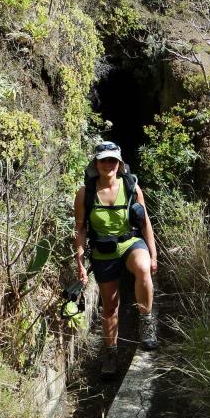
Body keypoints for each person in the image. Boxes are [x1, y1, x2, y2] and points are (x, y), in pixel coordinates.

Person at [73, 141, 159, 380]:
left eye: (113, 160)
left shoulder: (131, 186)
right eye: (103, 160)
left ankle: (146, 322)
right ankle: (110, 353)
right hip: (103, 251)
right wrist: (79, 260)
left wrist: (153, 254)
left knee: (142, 268)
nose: (108, 165)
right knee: (110, 306)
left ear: (120, 164)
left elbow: (144, 222)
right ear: (96, 163)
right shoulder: (85, 193)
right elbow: (80, 228)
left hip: (130, 242)